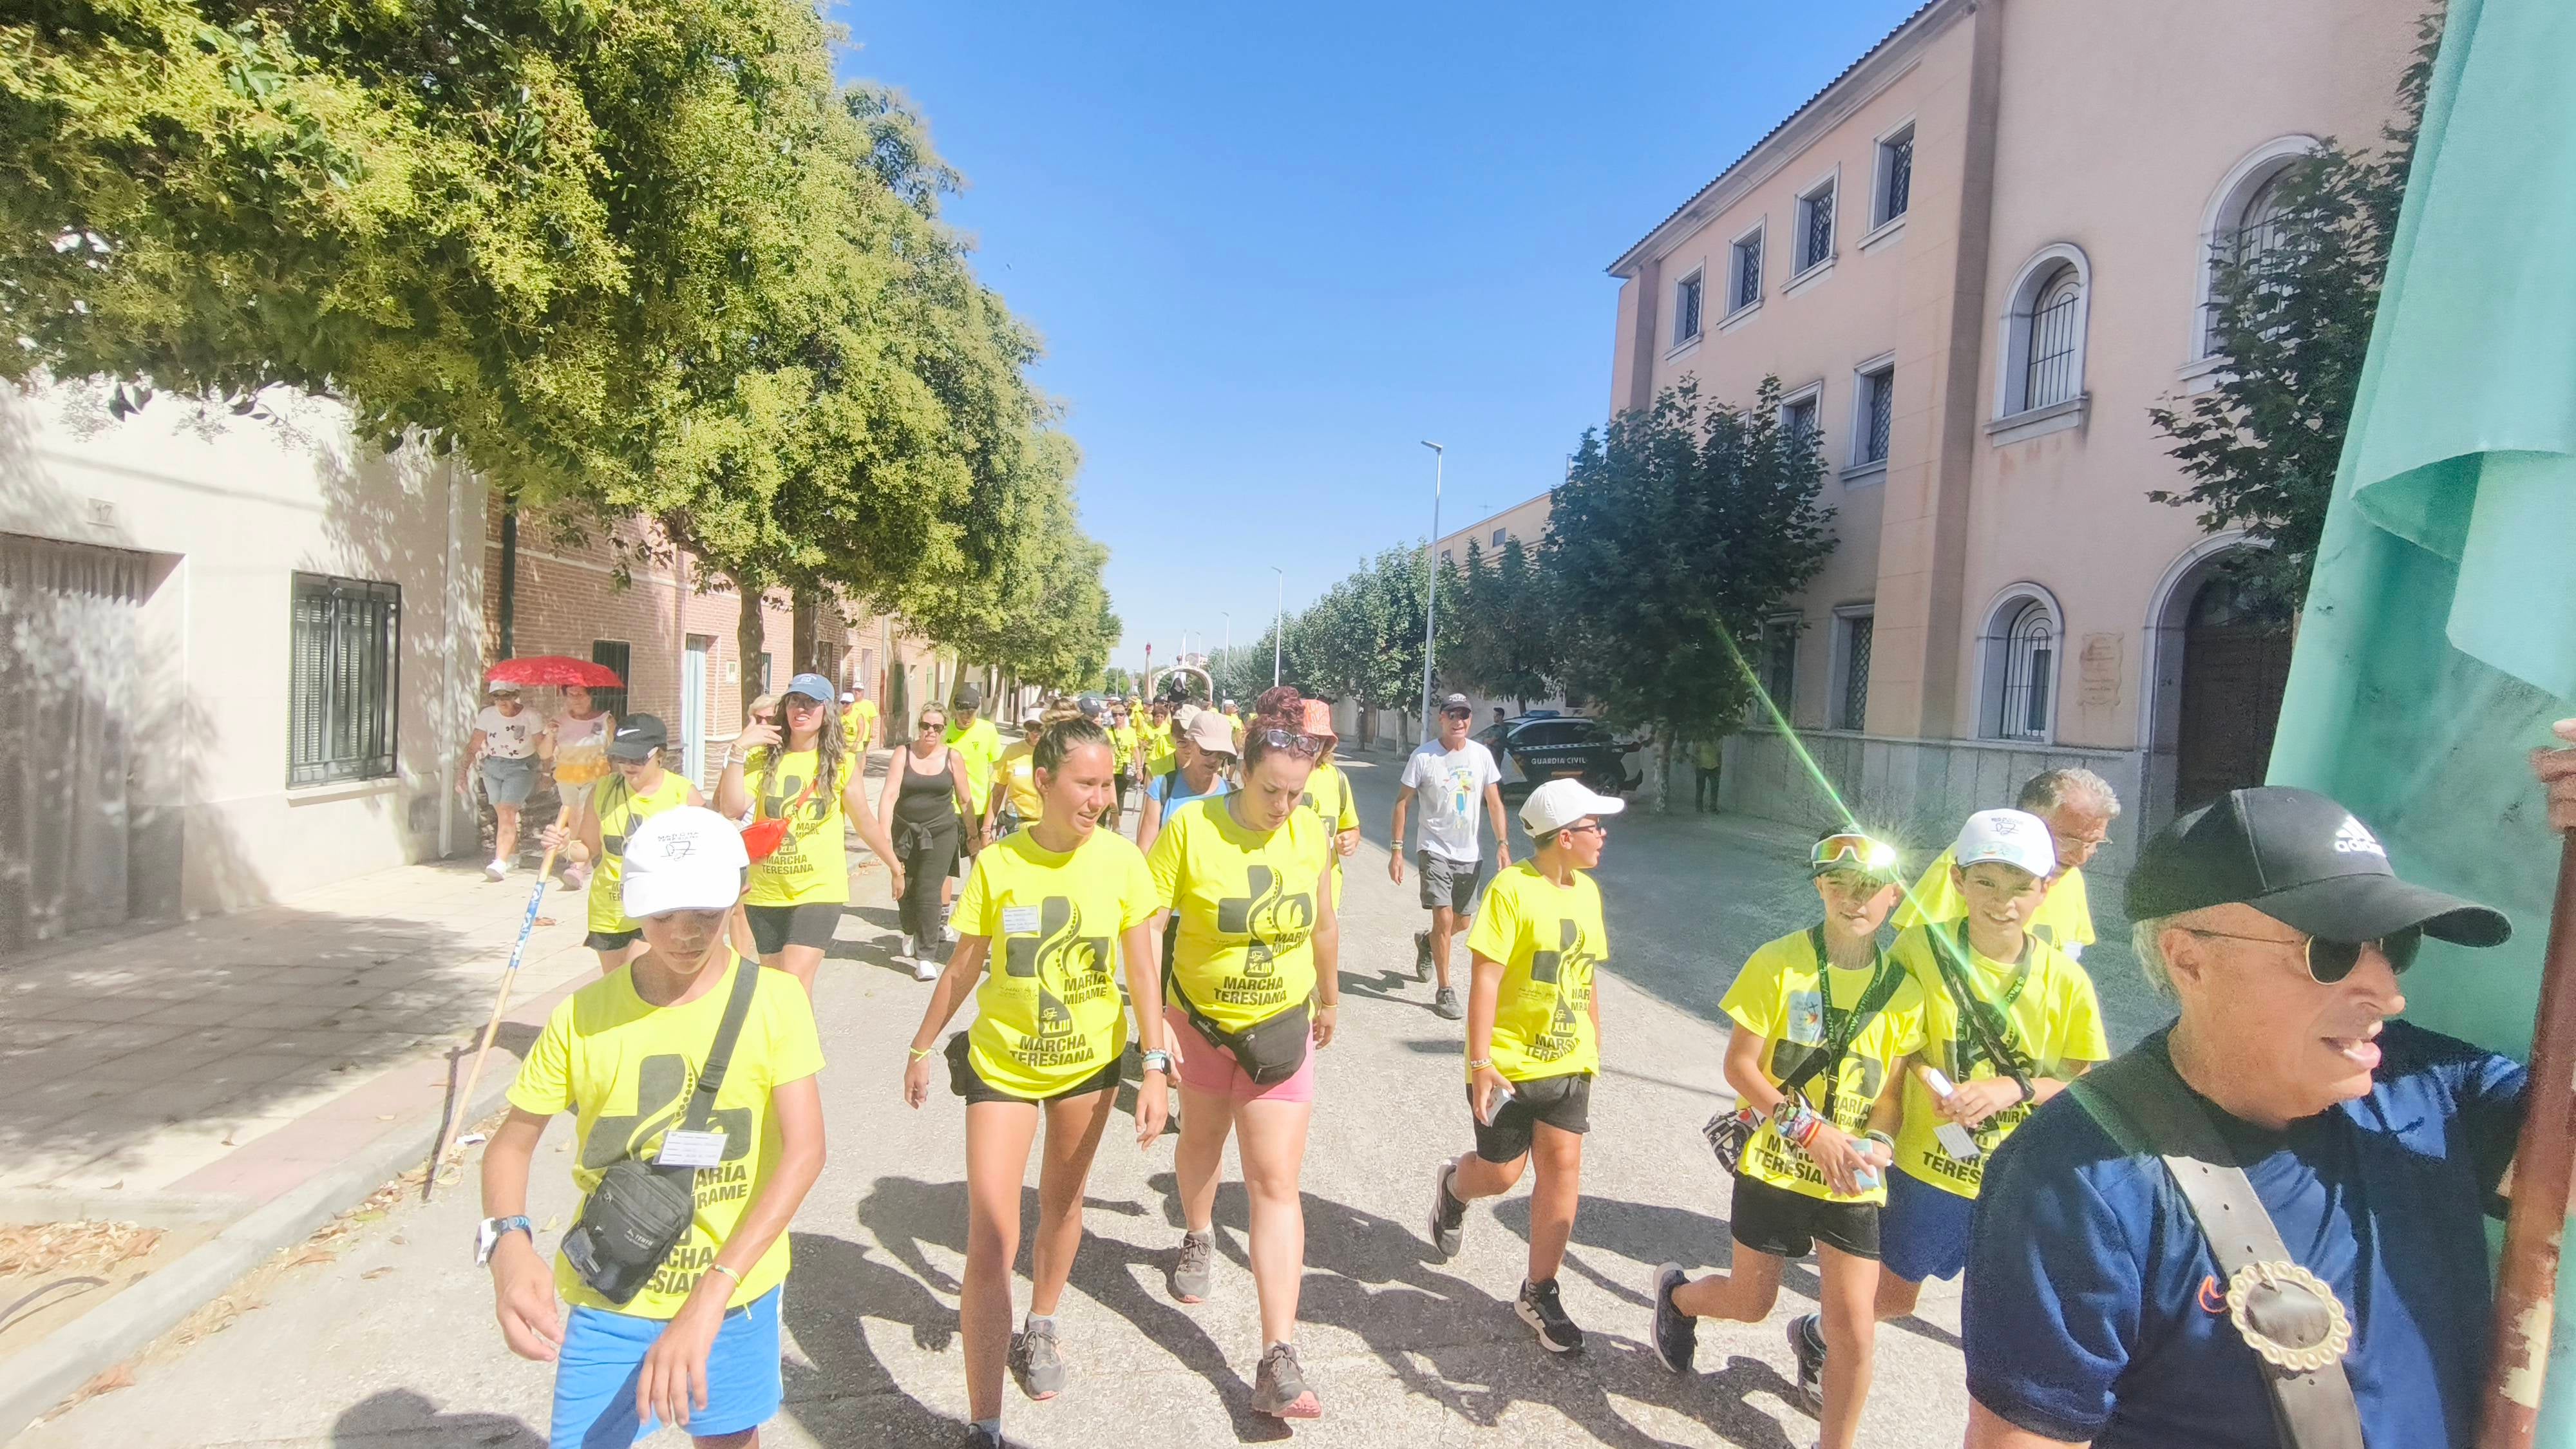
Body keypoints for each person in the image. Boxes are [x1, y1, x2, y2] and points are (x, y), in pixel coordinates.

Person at [1955, 773, 2552, 1449]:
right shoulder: (2080, 1179)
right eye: (2330, 950)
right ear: (2190, 960)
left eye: (2393, 946)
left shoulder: (2429, 1090)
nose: (2387, 994)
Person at [478, 806, 826, 1449]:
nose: (685, 933)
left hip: (734, 1293)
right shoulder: (582, 1016)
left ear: (739, 896)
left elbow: (805, 1153)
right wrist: (507, 1243)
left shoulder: (777, 1004)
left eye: (706, 913)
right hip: (614, 1296)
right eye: (663, 914)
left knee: (726, 1438)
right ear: (633, 905)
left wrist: (712, 1295)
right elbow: (508, 1146)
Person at [902, 713, 1174, 1449]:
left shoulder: (1122, 862)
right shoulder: (998, 864)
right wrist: (923, 1043)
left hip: (1088, 1066)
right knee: (990, 1237)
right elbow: (964, 965)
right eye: (1086, 783)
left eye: (1108, 782)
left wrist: (1154, 1065)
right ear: (1043, 781)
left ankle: (1042, 1323)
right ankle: (984, 1423)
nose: (1101, 797)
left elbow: (1143, 969)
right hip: (1001, 1067)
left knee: (1062, 1204)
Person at [1649, 831, 1922, 1449]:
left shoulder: (1905, 991)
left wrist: (1878, 1141)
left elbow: (1890, 1095)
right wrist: (1808, 1130)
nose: (1856, 900)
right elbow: (1740, 1066)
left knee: (1855, 1327)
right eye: (1841, 885)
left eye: (1871, 888)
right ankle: (1679, 1297)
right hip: (1774, 1165)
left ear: (1895, 898)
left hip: (1852, 1179)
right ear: (1820, 886)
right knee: (1752, 1302)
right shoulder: (1779, 961)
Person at [1148, 688, 1340, 1421]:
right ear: (1242, 772)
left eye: (1295, 793)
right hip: (1197, 1024)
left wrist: (1328, 998)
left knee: (1274, 1184)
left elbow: (1322, 923)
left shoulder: (1310, 831)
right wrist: (1152, 1028)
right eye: (1270, 790)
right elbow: (1148, 925)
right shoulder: (1191, 829)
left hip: (1279, 1032)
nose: (1282, 806)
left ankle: (1277, 1357)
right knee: (1200, 1143)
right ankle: (1197, 1235)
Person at [1865, 810, 2107, 1353]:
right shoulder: (1918, 949)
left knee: (2000, 1316)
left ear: (2046, 890)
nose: (2003, 902)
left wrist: (2013, 1088)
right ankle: (1823, 1337)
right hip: (1924, 1165)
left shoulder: (2068, 981)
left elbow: (2080, 1081)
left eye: (2021, 887)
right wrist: (1933, 1080)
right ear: (1957, 880)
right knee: (1895, 1297)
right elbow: (1899, 1047)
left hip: (2015, 1179)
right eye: (1986, 883)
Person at [1426, 779, 1623, 1355]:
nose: (1603, 836)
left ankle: (1539, 1290)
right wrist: (1482, 1061)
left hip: (1568, 1060)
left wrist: (1593, 1043)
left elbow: (1585, 974)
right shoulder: (1511, 891)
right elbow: (1485, 979)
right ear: (1565, 837)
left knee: (1562, 1168)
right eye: (1594, 826)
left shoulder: (1587, 893)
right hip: (1508, 1063)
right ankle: (1455, 1187)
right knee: (1502, 1174)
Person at [714, 672, 904, 994]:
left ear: (826, 711)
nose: (801, 709)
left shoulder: (839, 763)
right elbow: (730, 808)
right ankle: (785, 1045)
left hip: (818, 890)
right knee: (775, 988)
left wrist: (895, 866)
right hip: (766, 891)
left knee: (794, 982)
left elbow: (864, 821)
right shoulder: (762, 759)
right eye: (795, 701)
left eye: (811, 703)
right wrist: (737, 751)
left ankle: (799, 1046)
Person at [1895, 768, 2117, 960]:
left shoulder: (2070, 874)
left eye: (2094, 842)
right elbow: (1916, 949)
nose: (2082, 856)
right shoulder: (1971, 857)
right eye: (2069, 841)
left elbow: (2070, 954)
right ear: (2028, 820)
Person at [544, 715, 706, 975]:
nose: (629, 765)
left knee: (641, 981)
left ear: (660, 755)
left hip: (660, 908)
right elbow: (587, 848)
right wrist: (563, 845)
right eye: (623, 757)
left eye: (638, 758)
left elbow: (707, 850)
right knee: (616, 990)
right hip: (610, 909)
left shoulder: (681, 793)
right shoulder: (605, 789)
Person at [1391, 692, 1511, 1020]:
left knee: (1463, 921)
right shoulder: (1423, 757)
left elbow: (1496, 803)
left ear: (1470, 720)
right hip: (1433, 849)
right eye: (1452, 715)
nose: (1459, 721)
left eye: (1464, 715)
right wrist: (1397, 850)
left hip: (1469, 852)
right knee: (1443, 918)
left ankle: (1428, 943)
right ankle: (1445, 991)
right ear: (1441, 719)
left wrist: (1503, 844)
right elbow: (1403, 802)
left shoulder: (1481, 756)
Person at [879, 704, 975, 981]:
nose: (930, 732)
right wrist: (884, 835)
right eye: (925, 726)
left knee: (929, 891)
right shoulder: (903, 753)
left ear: (944, 729)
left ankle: (926, 956)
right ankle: (909, 929)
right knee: (906, 888)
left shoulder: (952, 757)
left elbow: (965, 799)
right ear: (918, 727)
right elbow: (889, 795)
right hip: (905, 831)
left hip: (941, 832)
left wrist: (973, 835)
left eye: (937, 727)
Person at [464, 681, 546, 882]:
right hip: (493, 766)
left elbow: (542, 748)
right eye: (497, 696)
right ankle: (513, 853)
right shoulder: (487, 715)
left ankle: (499, 861)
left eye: (506, 695)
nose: (502, 700)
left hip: (521, 766)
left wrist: (546, 773)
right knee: (503, 813)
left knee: (508, 811)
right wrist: (462, 772)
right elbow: (475, 743)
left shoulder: (531, 716)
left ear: (516, 695)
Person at [943, 683, 1007, 937]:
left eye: (971, 711)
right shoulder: (944, 731)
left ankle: (980, 917)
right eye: (961, 711)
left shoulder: (988, 731)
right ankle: (942, 918)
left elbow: (998, 772)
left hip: (978, 806)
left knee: (979, 864)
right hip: (948, 807)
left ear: (977, 710)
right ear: (954, 710)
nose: (966, 716)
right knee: (945, 867)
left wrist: (997, 809)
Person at [1135, 709, 1236, 857]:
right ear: (1191, 745)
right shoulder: (1163, 787)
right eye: (1207, 750)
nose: (1214, 760)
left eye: (1221, 754)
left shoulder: (1231, 794)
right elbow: (1145, 852)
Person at [1296, 701, 1361, 907]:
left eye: (1320, 741)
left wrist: (1350, 839)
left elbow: (1350, 827)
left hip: (1327, 889)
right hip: (1287, 890)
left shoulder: (1336, 778)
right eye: (1306, 740)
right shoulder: (1277, 777)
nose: (1313, 748)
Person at [986, 708, 1049, 841]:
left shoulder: (1056, 753)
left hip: (1047, 826)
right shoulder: (1012, 751)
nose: (1035, 732)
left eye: (1040, 727)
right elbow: (998, 792)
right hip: (1015, 825)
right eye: (1030, 727)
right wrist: (986, 829)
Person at [840, 686, 879, 757]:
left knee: (861, 756)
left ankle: (861, 768)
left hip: (864, 735)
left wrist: (873, 731)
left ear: (863, 691)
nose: (857, 692)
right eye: (843, 703)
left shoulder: (868, 704)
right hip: (846, 739)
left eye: (859, 690)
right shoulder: (840, 712)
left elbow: (873, 717)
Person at [1692, 735, 1723, 813]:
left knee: (1714, 788)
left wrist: (1719, 766)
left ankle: (1713, 808)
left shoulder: (1717, 739)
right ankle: (1699, 808)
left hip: (1714, 766)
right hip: (1702, 767)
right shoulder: (1700, 739)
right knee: (1700, 788)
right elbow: (1696, 752)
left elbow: (1719, 753)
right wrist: (1696, 766)